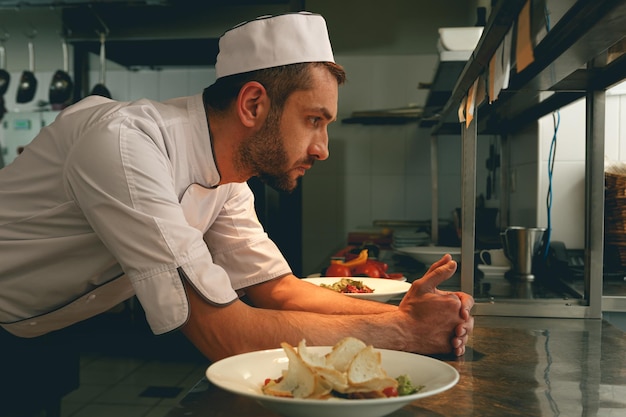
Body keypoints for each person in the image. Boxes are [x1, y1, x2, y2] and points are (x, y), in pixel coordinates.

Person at [0, 12, 473, 362]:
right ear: (253, 105)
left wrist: (401, 311)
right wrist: (405, 333)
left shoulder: (227, 177)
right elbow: (226, 333)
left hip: (48, 327)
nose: (322, 148)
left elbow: (278, 290)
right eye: (313, 121)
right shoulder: (126, 145)